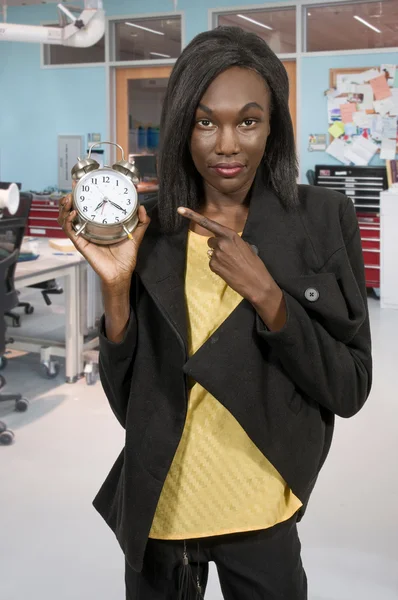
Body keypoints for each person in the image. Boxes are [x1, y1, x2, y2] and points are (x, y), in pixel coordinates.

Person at [58, 26, 372, 600]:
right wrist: (117, 292)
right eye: (206, 122)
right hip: (161, 508)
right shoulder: (146, 228)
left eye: (247, 121)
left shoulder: (322, 220)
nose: (227, 144)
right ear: (183, 127)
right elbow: (131, 404)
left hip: (259, 505)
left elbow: (350, 387)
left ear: (272, 126)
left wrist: (271, 299)